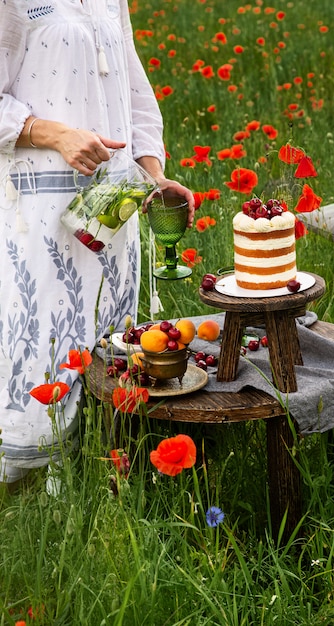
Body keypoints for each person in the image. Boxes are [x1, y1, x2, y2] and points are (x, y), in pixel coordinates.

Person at [0, 0, 195, 486]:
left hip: (113, 203)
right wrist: (52, 133)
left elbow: (135, 92)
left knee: (108, 336)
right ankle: (31, 478)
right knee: (45, 335)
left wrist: (154, 176)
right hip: (38, 207)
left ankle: (100, 465)